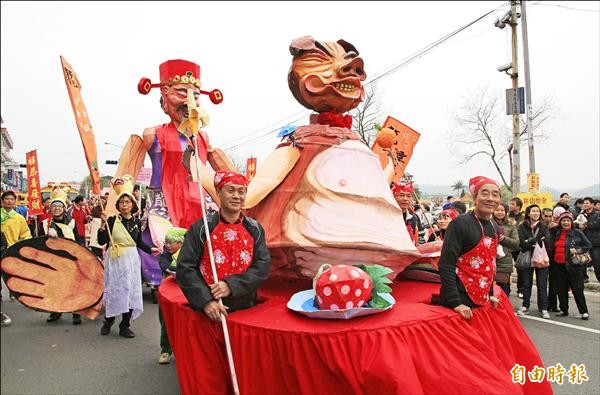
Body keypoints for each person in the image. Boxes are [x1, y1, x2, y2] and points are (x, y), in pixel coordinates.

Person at [177, 170, 270, 323]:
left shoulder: (255, 229)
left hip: (246, 307)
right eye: (230, 190)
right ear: (219, 192)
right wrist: (205, 301)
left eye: (241, 191)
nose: (236, 196)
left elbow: (262, 267)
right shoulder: (203, 228)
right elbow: (185, 267)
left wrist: (231, 285)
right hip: (210, 310)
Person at [97, 175, 159, 338]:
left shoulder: (137, 222)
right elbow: (101, 240)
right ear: (117, 205)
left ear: (133, 204)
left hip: (131, 260)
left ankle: (125, 325)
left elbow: (138, 243)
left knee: (130, 291)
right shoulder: (111, 220)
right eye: (122, 202)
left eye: (128, 202)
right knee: (114, 290)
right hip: (115, 260)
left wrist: (151, 249)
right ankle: (108, 321)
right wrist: (102, 225)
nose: (125, 205)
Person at [438, 176, 502, 320]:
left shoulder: (495, 226)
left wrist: (490, 294)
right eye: (485, 193)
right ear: (475, 197)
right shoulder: (460, 224)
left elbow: (489, 264)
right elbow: (446, 264)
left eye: (495, 194)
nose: (490, 198)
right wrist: (456, 303)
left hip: (482, 297)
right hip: (460, 299)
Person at [40, 188, 82, 325]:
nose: (57, 209)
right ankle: (56, 311)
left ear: (64, 208)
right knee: (55, 287)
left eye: (59, 206)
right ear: (50, 208)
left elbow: (79, 240)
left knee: (74, 286)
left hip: (71, 258)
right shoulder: (45, 224)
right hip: (53, 260)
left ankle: (76, 312)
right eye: (54, 206)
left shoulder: (72, 222)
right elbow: (39, 243)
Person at [548, 212, 592, 320]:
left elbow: (588, 245)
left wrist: (578, 250)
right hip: (558, 265)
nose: (566, 222)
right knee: (561, 289)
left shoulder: (577, 232)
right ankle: (564, 309)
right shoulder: (556, 233)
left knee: (577, 289)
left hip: (574, 266)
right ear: (560, 222)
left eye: (568, 220)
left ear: (571, 222)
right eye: (563, 220)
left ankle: (584, 311)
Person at [157, 227, 187, 364]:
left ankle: (185, 351)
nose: (167, 245)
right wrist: (184, 269)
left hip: (186, 294)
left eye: (171, 242)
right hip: (167, 295)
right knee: (166, 321)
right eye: (166, 242)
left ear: (181, 243)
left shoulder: (189, 254)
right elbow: (167, 267)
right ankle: (165, 350)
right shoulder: (165, 256)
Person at [516, 204, 551, 319]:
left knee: (542, 284)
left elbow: (546, 241)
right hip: (527, 257)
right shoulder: (522, 226)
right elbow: (522, 243)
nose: (535, 213)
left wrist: (530, 241)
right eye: (533, 211)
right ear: (528, 213)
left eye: (537, 211)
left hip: (541, 257)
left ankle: (543, 308)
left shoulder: (544, 226)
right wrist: (535, 241)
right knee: (526, 283)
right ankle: (525, 306)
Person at [1, 190, 32, 301]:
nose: (9, 201)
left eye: (11, 199)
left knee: (11, 273)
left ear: (15, 202)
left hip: (11, 249)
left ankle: (12, 291)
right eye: (7, 199)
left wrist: (27, 245)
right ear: (2, 201)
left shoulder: (19, 218)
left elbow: (25, 233)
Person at [492, 203, 520, 296]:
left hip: (505, 262)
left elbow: (516, 243)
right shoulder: (487, 223)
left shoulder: (511, 225)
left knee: (504, 291)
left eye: (502, 210)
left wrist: (504, 239)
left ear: (506, 212)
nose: (500, 212)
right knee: (490, 291)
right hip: (490, 261)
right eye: (497, 210)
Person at [577, 197, 599, 283]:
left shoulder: (597, 214)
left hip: (595, 243)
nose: (585, 205)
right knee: (582, 262)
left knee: (597, 262)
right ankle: (584, 279)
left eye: (587, 203)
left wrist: (585, 225)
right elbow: (575, 224)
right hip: (583, 242)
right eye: (584, 203)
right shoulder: (581, 214)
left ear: (592, 204)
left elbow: (597, 224)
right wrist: (578, 226)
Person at [508, 196, 525, 298]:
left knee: (520, 269)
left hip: (519, 247)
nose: (510, 205)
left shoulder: (523, 217)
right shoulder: (506, 216)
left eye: (512, 204)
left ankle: (521, 289)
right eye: (509, 204)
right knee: (507, 269)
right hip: (508, 246)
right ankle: (506, 289)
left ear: (518, 206)